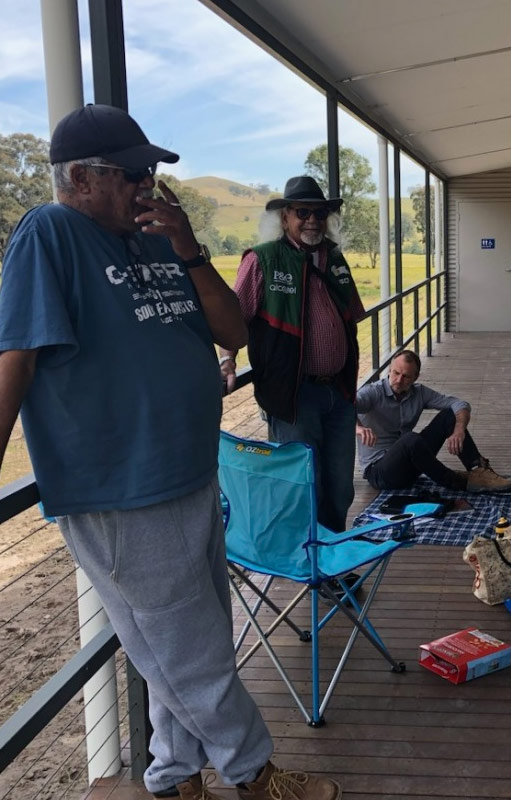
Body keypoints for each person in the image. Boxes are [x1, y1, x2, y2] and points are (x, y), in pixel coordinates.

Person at [0, 105, 339, 800]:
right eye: (132, 173)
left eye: (150, 172)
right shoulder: (50, 232)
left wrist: (188, 246)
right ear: (82, 179)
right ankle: (253, 774)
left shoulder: (157, 239)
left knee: (185, 641)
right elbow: (16, 358)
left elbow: (234, 333)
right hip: (121, 486)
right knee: (192, 654)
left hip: (188, 471)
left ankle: (174, 776)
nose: (146, 185)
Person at [219, 176, 364, 534]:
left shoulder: (334, 258)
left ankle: (331, 552)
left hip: (339, 392)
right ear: (285, 217)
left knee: (340, 487)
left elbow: (352, 313)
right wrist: (227, 360)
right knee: (304, 486)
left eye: (319, 213)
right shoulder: (263, 259)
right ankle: (307, 558)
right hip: (293, 395)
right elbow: (234, 318)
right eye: (303, 212)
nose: (312, 220)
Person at [355, 350, 511, 493]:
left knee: (449, 416)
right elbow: (347, 407)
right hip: (380, 472)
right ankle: (457, 481)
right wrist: (359, 428)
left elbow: (460, 404)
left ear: (415, 377)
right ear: (390, 369)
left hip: (410, 466)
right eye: (396, 373)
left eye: (406, 376)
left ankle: (479, 470)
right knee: (411, 439)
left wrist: (459, 430)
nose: (398, 380)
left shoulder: (419, 392)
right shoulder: (372, 392)